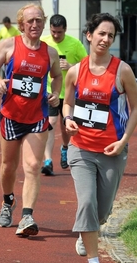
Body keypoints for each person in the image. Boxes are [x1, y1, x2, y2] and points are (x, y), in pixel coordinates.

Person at [63, 13, 137, 263]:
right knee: (87, 202)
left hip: (112, 150)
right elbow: (67, 103)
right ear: (89, 35)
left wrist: (123, 141)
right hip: (82, 148)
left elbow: (136, 107)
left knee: (103, 210)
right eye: (101, 33)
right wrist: (68, 119)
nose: (106, 39)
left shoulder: (123, 71)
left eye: (111, 35)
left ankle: (88, 230)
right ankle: (94, 259)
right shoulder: (75, 72)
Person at [0, 3, 62, 237]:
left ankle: (27, 215)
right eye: (30, 21)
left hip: (37, 117)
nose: (35, 25)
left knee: (32, 166)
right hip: (11, 115)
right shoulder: (9, 45)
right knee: (9, 166)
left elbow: (57, 76)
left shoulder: (49, 52)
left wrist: (56, 94)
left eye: (39, 20)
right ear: (21, 24)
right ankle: (8, 202)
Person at [39, 14, 87, 176]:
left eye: (59, 32)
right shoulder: (44, 42)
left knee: (66, 125)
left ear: (65, 30)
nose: (56, 35)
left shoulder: (75, 44)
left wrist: (71, 65)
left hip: (69, 93)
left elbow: (87, 65)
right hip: (50, 92)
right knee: (50, 122)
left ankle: (65, 148)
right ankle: (48, 161)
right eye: (53, 32)